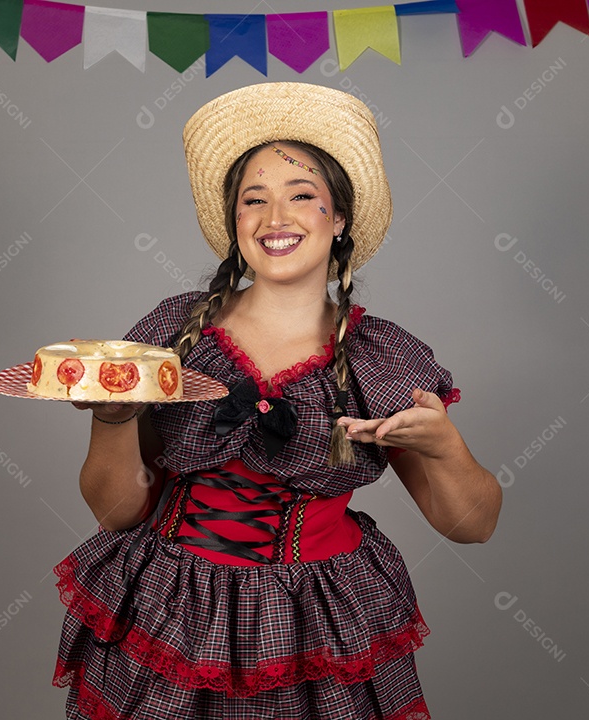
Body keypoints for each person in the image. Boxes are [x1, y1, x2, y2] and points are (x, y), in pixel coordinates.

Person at [52, 82, 502, 720]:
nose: (275, 220)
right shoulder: (177, 334)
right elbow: (117, 510)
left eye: (302, 197)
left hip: (318, 623)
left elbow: (472, 526)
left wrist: (446, 447)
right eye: (253, 201)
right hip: (173, 610)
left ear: (338, 218)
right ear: (235, 223)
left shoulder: (380, 358)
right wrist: (112, 417)